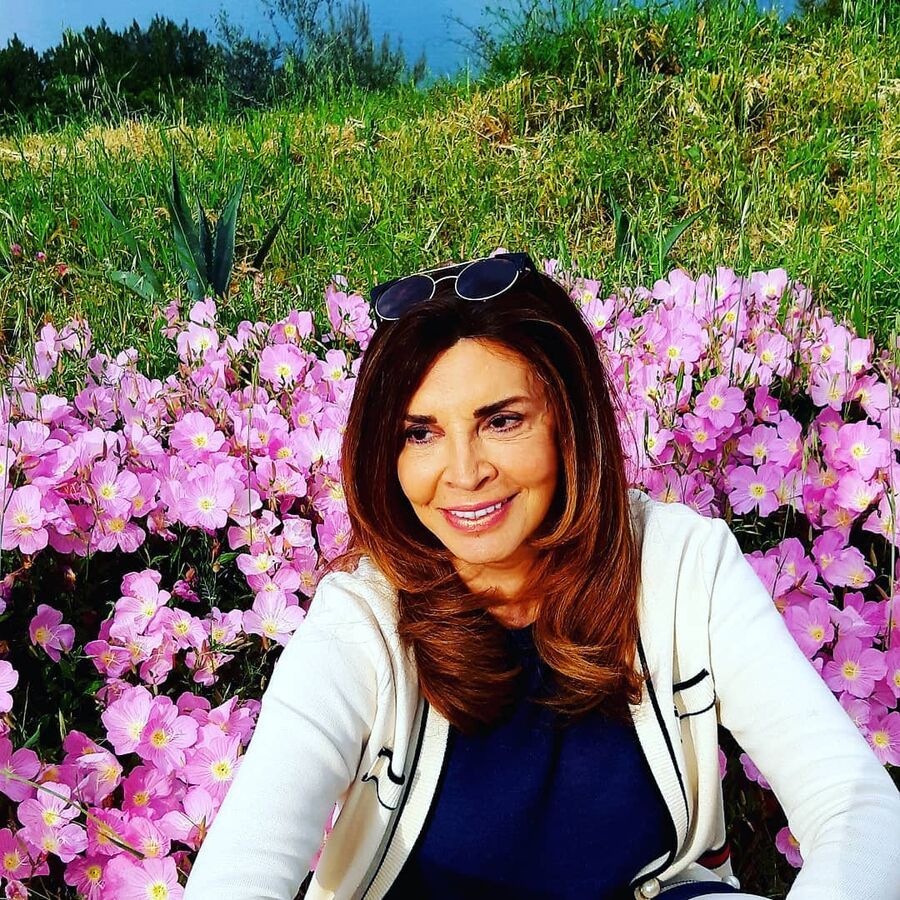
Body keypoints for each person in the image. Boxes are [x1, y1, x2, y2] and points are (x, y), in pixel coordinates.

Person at [182, 252, 900, 900]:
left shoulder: (681, 565)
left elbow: (856, 804)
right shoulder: (361, 622)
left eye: (502, 421)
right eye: (420, 433)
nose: (464, 472)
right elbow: (239, 870)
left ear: (567, 421)